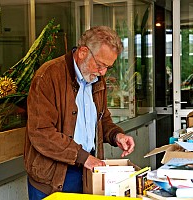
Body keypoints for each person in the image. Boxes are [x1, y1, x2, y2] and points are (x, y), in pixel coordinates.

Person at [24, 26, 135, 200]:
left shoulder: (97, 79)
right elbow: (41, 132)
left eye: (108, 67)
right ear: (83, 52)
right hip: (52, 178)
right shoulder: (48, 76)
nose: (103, 72)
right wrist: (83, 157)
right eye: (100, 65)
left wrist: (116, 135)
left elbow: (102, 119)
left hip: (87, 172)